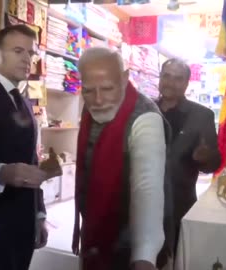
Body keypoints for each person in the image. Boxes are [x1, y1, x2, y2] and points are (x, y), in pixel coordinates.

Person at [71, 47, 166, 270]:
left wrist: (145, 254)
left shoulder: (145, 117)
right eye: (88, 90)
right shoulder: (91, 106)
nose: (98, 99)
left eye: (107, 89)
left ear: (124, 79)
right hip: (95, 229)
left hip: (129, 242)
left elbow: (147, 186)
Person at [0, 24, 48, 270]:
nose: (27, 59)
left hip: (22, 220)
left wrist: (39, 213)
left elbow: (31, 159)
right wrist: (0, 172)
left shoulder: (23, 99)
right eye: (18, 51)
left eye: (31, 53)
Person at [157, 58, 221, 259]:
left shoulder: (202, 116)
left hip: (179, 203)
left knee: (177, 256)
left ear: (186, 83)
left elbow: (214, 163)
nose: (170, 82)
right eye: (166, 76)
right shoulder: (144, 108)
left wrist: (205, 157)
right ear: (159, 78)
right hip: (142, 200)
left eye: (178, 78)